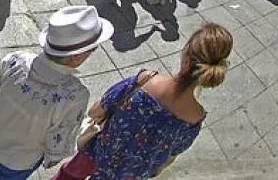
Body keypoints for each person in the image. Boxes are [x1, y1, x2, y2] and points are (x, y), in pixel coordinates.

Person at [0, 5, 113, 180]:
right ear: (76, 56)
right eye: (93, 49)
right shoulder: (75, 95)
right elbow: (59, 142)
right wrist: (52, 159)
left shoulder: (16, 60)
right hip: (19, 160)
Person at [82, 23, 232, 180]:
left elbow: (96, 111)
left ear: (185, 56)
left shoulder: (144, 80)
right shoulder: (195, 119)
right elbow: (168, 159)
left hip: (96, 163)